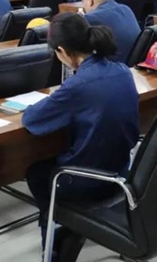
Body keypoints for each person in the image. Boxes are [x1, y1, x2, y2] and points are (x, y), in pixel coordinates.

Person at [23, 13, 139, 253]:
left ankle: (57, 233)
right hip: (120, 173)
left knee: (36, 173)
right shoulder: (122, 70)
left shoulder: (77, 86)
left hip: (86, 182)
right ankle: (66, 226)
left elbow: (32, 120)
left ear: (62, 51)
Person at [82, 0, 140, 64]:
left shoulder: (91, 18)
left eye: (83, 0)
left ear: (90, 0)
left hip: (113, 66)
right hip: (134, 65)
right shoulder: (126, 9)